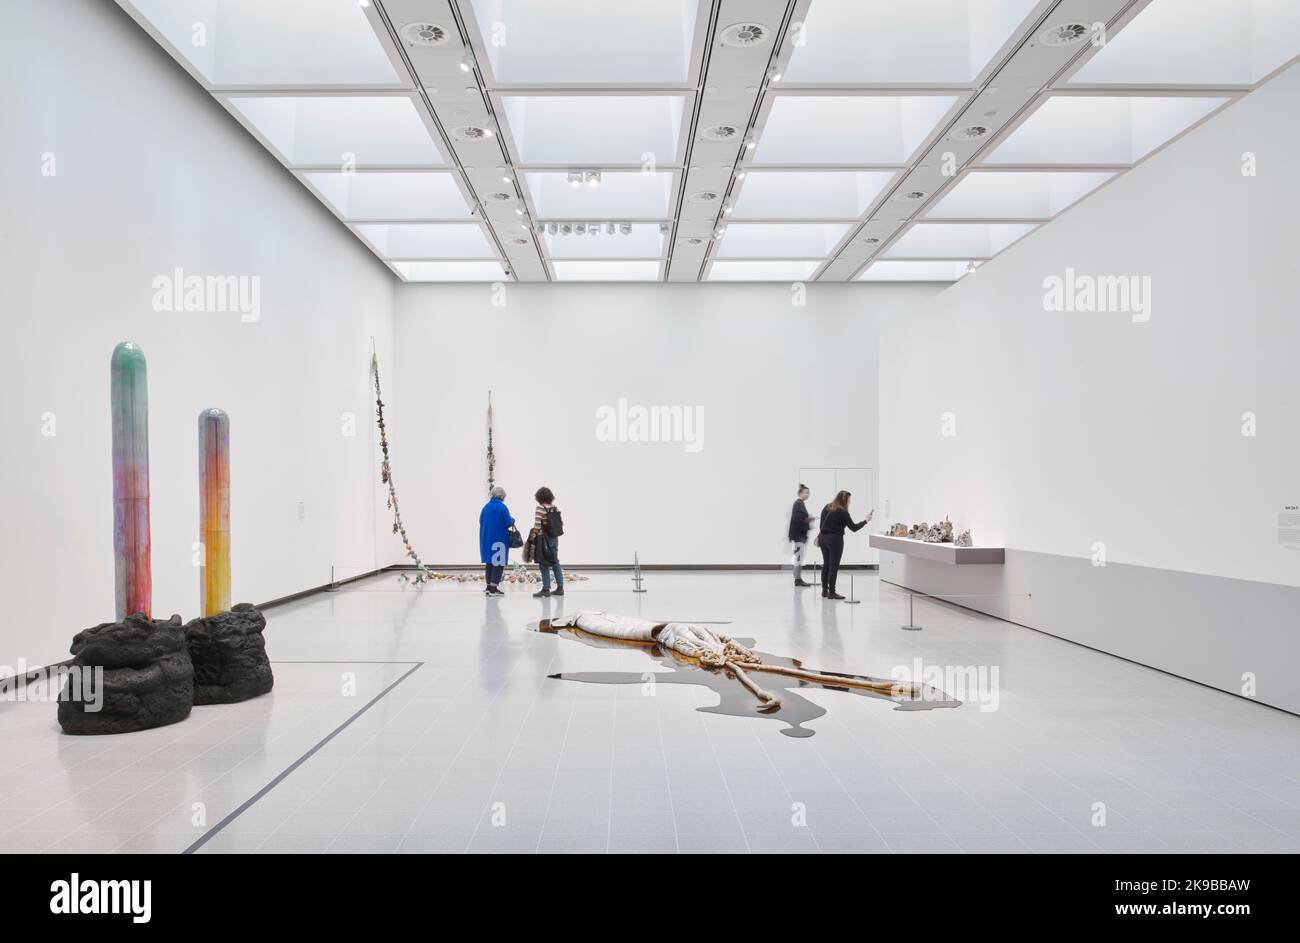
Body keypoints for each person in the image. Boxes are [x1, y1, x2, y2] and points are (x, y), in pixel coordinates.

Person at [818, 490, 872, 600]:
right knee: (834, 566)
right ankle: (832, 592)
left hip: (823, 538)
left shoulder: (827, 507)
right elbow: (854, 528)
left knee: (826, 564)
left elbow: (820, 525)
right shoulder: (842, 511)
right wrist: (866, 520)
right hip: (835, 540)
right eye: (849, 500)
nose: (849, 503)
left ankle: (824, 590)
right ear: (845, 500)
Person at [478, 486, 515, 596]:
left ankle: (489, 586)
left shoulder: (486, 507)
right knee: (498, 563)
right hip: (499, 539)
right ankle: (494, 588)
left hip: (486, 539)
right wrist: (513, 519)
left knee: (490, 563)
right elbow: (508, 522)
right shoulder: (502, 507)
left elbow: (480, 521)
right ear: (502, 496)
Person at [531, 486, 564, 598]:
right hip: (554, 538)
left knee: (543, 563)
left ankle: (546, 589)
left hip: (544, 539)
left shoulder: (540, 508)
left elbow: (537, 526)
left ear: (539, 497)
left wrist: (533, 537)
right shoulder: (555, 508)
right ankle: (560, 587)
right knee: (555, 562)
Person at [788, 484, 813, 587]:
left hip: (799, 536)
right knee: (798, 558)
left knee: (799, 557)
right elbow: (797, 519)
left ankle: (798, 579)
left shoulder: (800, 504)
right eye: (806, 492)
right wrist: (808, 519)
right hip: (799, 536)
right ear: (800, 493)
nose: (808, 495)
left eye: (808, 493)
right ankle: (798, 580)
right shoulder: (798, 504)